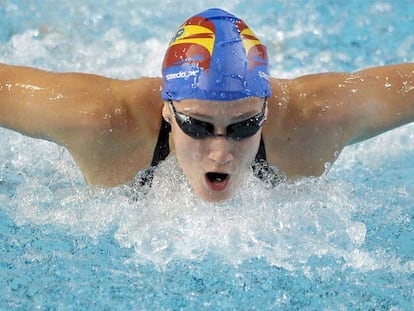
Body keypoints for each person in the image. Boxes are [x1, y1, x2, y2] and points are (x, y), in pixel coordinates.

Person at [0, 8, 413, 202]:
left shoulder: (313, 121)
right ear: (167, 109)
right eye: (197, 126)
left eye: (243, 126)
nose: (221, 152)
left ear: (266, 111)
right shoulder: (102, 122)